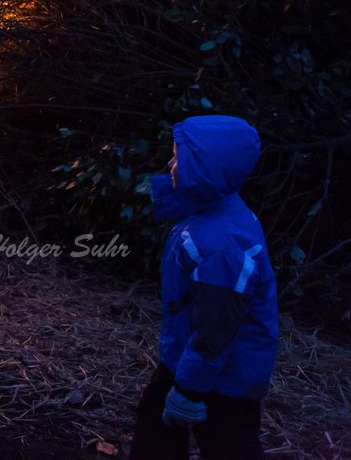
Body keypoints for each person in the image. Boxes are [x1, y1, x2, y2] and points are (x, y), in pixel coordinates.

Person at [131, 115, 278, 460]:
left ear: (206, 170)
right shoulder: (216, 208)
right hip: (189, 356)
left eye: (179, 158)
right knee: (155, 427)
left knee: (229, 445)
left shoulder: (223, 245)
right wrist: (169, 187)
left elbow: (215, 330)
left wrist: (188, 389)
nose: (170, 162)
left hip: (223, 377)